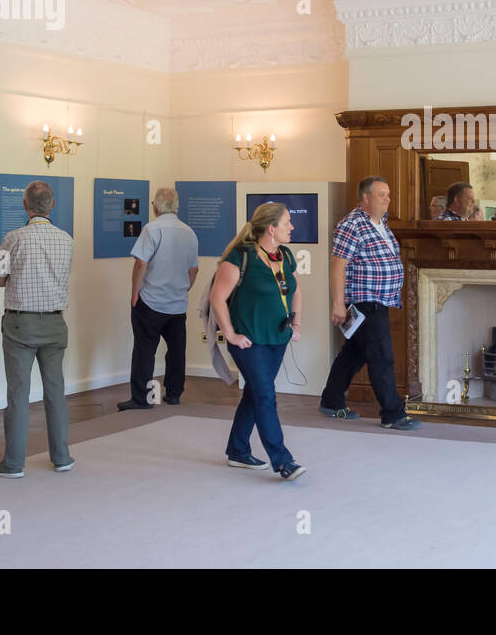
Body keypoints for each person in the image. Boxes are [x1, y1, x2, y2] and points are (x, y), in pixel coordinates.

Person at [209, 201, 305, 480]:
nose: (292, 227)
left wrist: (296, 324)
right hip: (248, 341)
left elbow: (296, 291)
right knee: (265, 395)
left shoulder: (285, 255)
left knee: (255, 393)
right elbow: (218, 298)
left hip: (277, 337)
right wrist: (230, 334)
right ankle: (283, 461)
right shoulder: (240, 257)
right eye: (287, 223)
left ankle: (237, 450)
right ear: (271, 228)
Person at [0, 181, 74, 477]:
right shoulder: (66, 240)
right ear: (52, 206)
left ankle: (13, 463)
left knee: (19, 394)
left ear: (25, 205)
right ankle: (62, 457)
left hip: (20, 324)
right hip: (54, 323)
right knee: (56, 392)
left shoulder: (13, 238)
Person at [319, 176, 420, 430]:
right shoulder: (352, 224)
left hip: (379, 301)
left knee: (354, 353)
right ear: (365, 198)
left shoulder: (381, 223)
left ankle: (331, 401)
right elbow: (337, 264)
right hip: (365, 302)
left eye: (388, 194)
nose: (387, 199)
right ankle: (392, 414)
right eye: (381, 195)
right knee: (381, 357)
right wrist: (338, 303)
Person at [119, 187, 200, 411]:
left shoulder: (151, 229)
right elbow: (194, 270)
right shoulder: (189, 232)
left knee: (145, 350)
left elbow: (141, 263)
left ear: (155, 206)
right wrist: (184, 289)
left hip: (151, 301)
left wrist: (135, 292)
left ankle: (142, 398)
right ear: (176, 206)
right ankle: (174, 393)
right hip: (177, 303)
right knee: (176, 351)